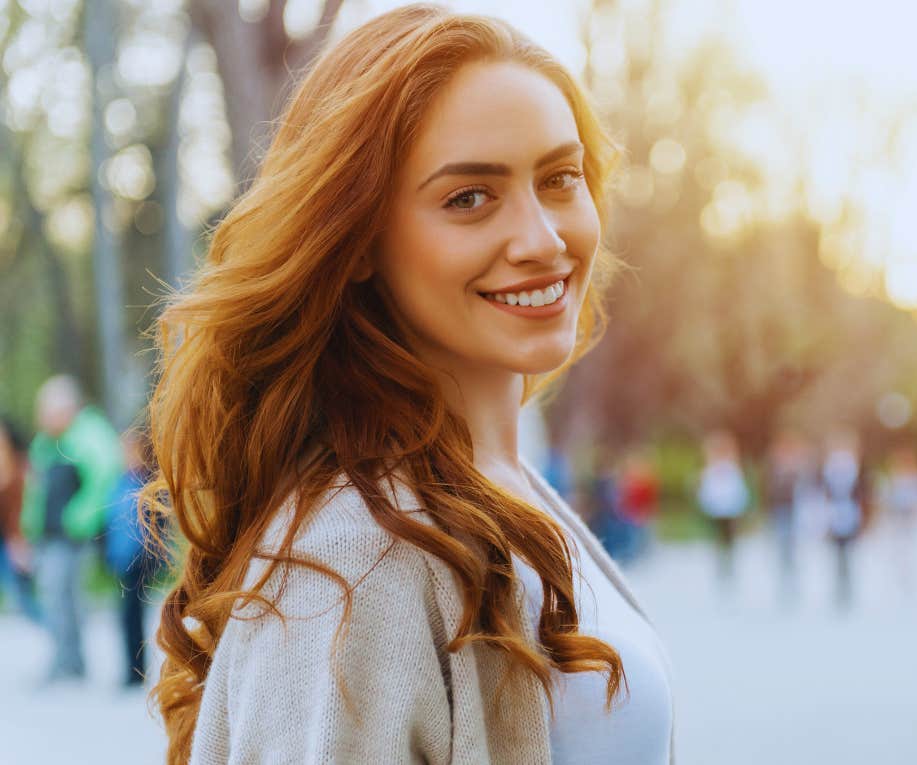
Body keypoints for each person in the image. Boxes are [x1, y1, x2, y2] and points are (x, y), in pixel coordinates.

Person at [143, 8, 674, 763]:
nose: (543, 239)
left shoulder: (504, 484)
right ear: (358, 240)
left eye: (559, 178)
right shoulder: (355, 558)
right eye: (470, 197)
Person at [20, 375, 123, 683]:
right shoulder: (46, 444)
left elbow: (104, 479)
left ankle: (69, 661)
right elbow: (35, 490)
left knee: (64, 596)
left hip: (73, 536)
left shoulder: (90, 435)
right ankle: (68, 659)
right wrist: (29, 526)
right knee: (56, 597)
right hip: (48, 535)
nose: (44, 418)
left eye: (48, 411)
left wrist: (78, 517)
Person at [104, 429, 163, 687]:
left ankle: (137, 670)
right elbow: (111, 522)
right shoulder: (119, 482)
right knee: (123, 616)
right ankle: (129, 667)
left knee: (134, 615)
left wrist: (150, 555)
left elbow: (158, 525)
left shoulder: (148, 484)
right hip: (120, 558)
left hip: (138, 560)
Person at [821, 429, 868, 611]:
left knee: (847, 555)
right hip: (834, 516)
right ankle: (839, 588)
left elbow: (862, 495)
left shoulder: (855, 470)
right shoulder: (829, 470)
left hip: (849, 516)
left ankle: (847, 589)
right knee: (837, 555)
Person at [0, 418, 41, 623]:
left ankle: (57, 638)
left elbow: (23, 509)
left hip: (13, 542)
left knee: (26, 599)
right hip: (6, 540)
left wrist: (20, 540)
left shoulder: (20, 468)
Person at [696, 430, 749, 583]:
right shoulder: (709, 471)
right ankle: (721, 566)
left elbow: (739, 491)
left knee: (729, 540)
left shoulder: (732, 470)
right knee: (718, 540)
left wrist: (739, 507)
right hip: (716, 511)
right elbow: (706, 492)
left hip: (730, 511)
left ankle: (729, 566)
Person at [763, 430, 807, 604]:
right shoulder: (774, 473)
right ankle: (784, 579)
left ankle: (793, 579)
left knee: (792, 548)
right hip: (779, 513)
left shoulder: (797, 473)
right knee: (782, 547)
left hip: (794, 513)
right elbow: (768, 494)